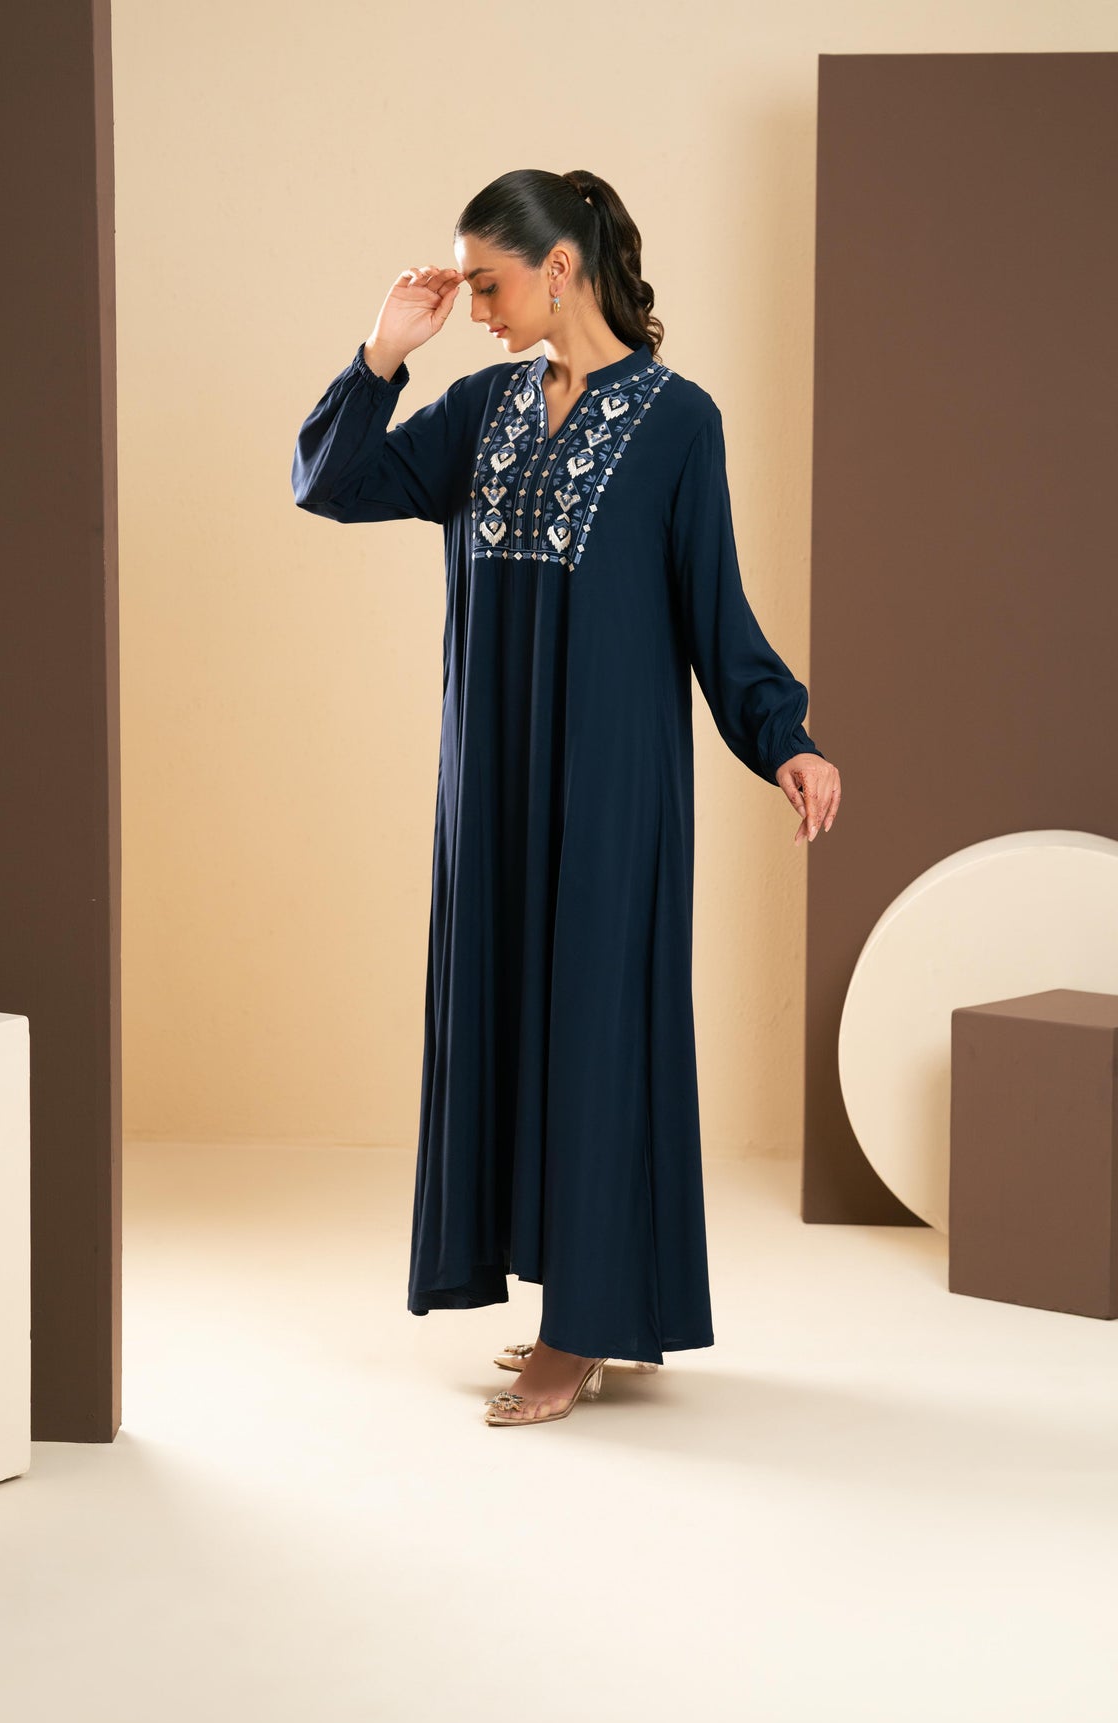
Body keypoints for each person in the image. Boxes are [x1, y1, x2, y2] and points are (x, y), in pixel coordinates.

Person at [291, 168, 841, 1429]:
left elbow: (713, 607)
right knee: (507, 1017)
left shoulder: (678, 420)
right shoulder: (477, 409)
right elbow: (333, 482)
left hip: (612, 785)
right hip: (492, 783)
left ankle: (580, 1327)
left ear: (560, 267)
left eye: (488, 285)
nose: (477, 309)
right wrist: (384, 353)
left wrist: (786, 740)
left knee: (598, 1027)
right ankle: (593, 1302)